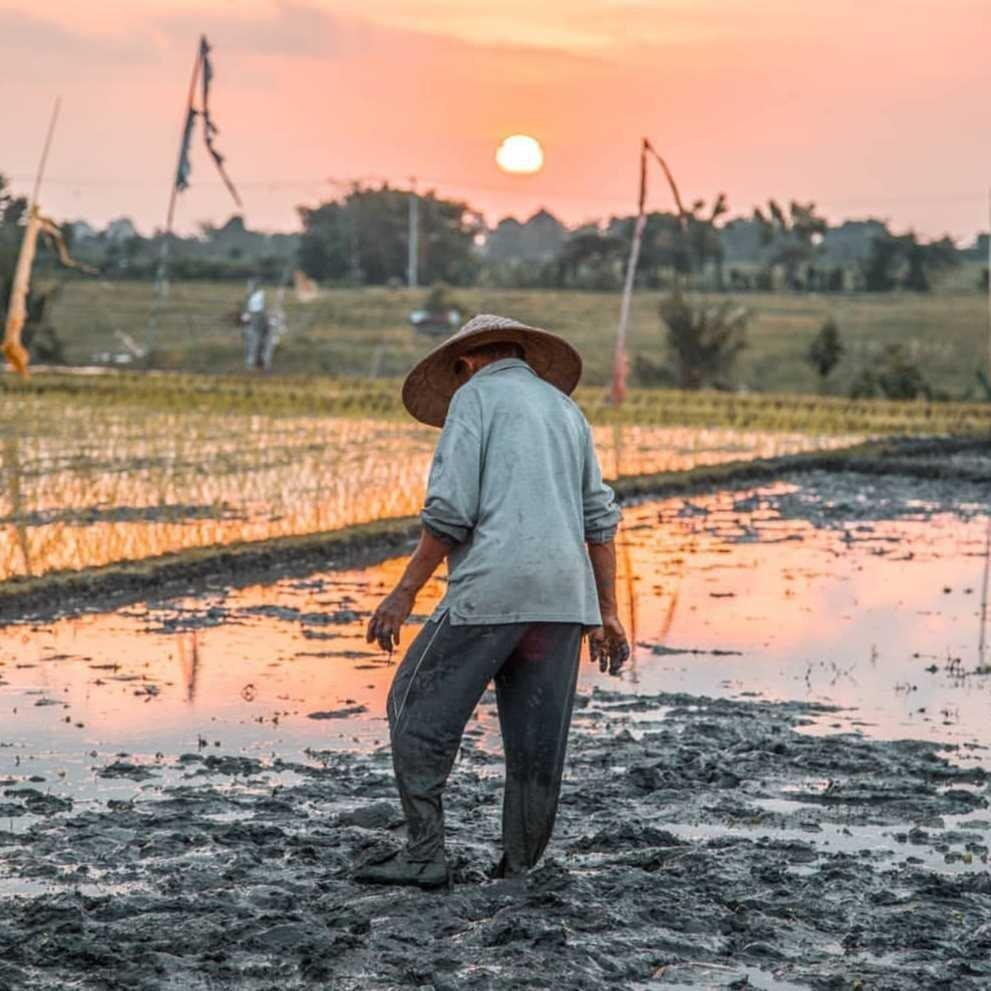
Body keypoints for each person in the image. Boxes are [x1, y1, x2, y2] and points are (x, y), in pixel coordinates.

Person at [355, 313, 630, 890]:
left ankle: (426, 851)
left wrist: (404, 594)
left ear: (465, 363)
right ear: (522, 355)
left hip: (495, 588)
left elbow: (451, 512)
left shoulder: (474, 400)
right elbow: (599, 518)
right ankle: (520, 868)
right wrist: (607, 611)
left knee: (415, 707)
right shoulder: (565, 409)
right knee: (536, 741)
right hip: (562, 599)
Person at [241, 279, 270, 371]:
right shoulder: (252, 298)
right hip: (253, 327)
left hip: (256, 326)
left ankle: (256, 364)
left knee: (257, 346)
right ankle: (252, 365)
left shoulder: (258, 296)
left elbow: (257, 311)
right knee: (252, 346)